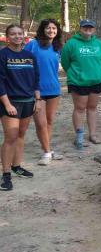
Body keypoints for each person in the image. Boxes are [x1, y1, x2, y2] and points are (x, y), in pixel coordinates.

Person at [0, 24, 40, 191]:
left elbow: (36, 78)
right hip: (10, 102)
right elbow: (0, 81)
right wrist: (7, 104)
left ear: (24, 36)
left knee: (21, 135)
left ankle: (17, 166)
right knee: (11, 137)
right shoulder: (3, 55)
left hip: (28, 101)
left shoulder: (29, 55)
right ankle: (6, 175)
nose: (17, 36)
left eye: (19, 33)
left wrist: (38, 100)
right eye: (13, 34)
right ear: (7, 37)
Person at [60, 19, 101, 148]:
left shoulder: (99, 44)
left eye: (90, 27)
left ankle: (93, 134)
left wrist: (99, 73)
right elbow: (65, 62)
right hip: (78, 81)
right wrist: (75, 74)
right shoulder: (71, 44)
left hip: (96, 80)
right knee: (80, 108)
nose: (88, 29)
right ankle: (79, 137)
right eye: (85, 27)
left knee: (92, 108)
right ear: (80, 29)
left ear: (94, 29)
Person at [25, 19, 64, 165]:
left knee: (49, 121)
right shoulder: (32, 45)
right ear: (43, 29)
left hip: (54, 88)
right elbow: (23, 64)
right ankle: (47, 153)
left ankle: (47, 149)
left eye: (54, 28)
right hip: (36, 90)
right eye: (48, 28)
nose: (51, 31)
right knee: (40, 123)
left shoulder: (57, 47)